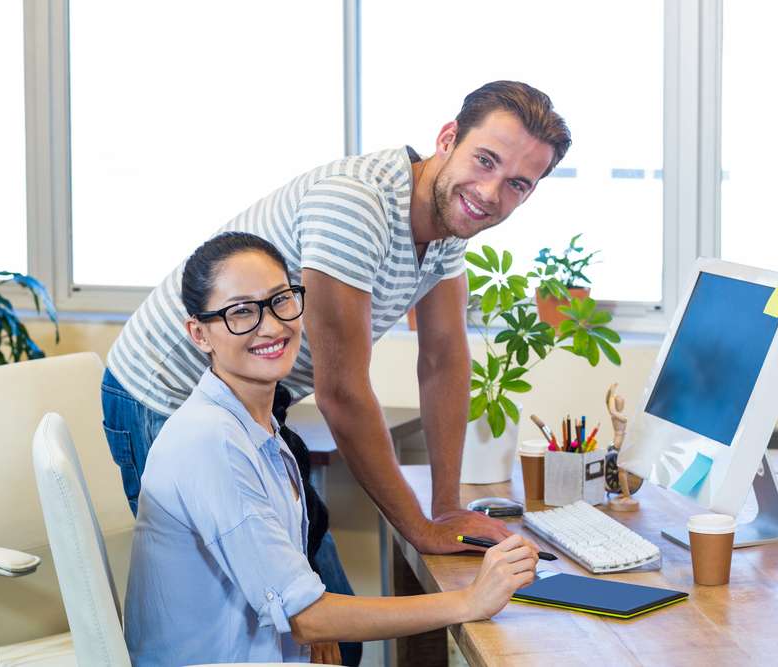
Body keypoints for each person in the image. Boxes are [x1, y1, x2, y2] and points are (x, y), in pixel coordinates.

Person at [102, 80, 570, 663]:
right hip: (167, 392)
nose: (491, 192)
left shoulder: (448, 221)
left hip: (252, 405)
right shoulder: (358, 205)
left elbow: (444, 359)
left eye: (518, 184)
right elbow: (342, 393)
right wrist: (422, 530)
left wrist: (447, 507)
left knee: (330, 634)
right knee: (264, 627)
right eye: (486, 160)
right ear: (448, 139)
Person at [125, 231, 538, 666]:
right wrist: (469, 600)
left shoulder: (257, 427)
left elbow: (290, 597)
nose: (272, 326)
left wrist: (308, 626)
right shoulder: (212, 441)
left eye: (280, 300)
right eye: (241, 311)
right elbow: (305, 618)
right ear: (199, 334)